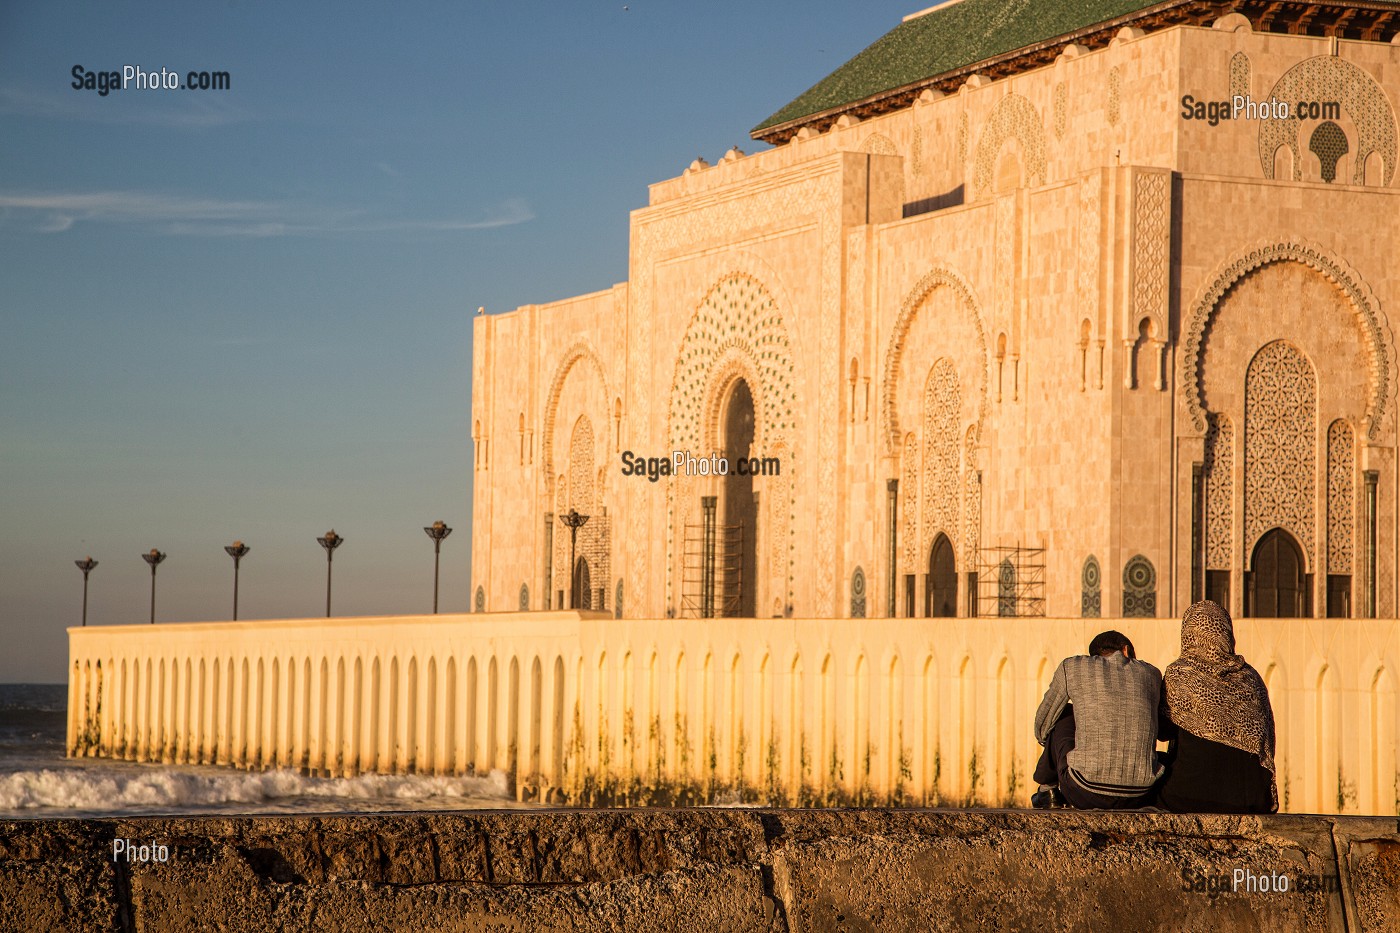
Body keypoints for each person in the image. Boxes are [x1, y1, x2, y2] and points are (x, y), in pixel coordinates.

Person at [1157, 600, 1277, 813]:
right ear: (1227, 634)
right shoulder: (1252, 678)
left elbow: (1162, 731)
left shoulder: (1180, 674)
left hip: (1189, 797)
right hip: (1252, 799)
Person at [1032, 630, 1166, 809]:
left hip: (1084, 790)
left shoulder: (1072, 667)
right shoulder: (1152, 674)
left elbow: (1042, 726)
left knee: (1063, 713)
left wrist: (1056, 747)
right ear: (1126, 651)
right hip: (1141, 794)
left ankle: (1047, 789)